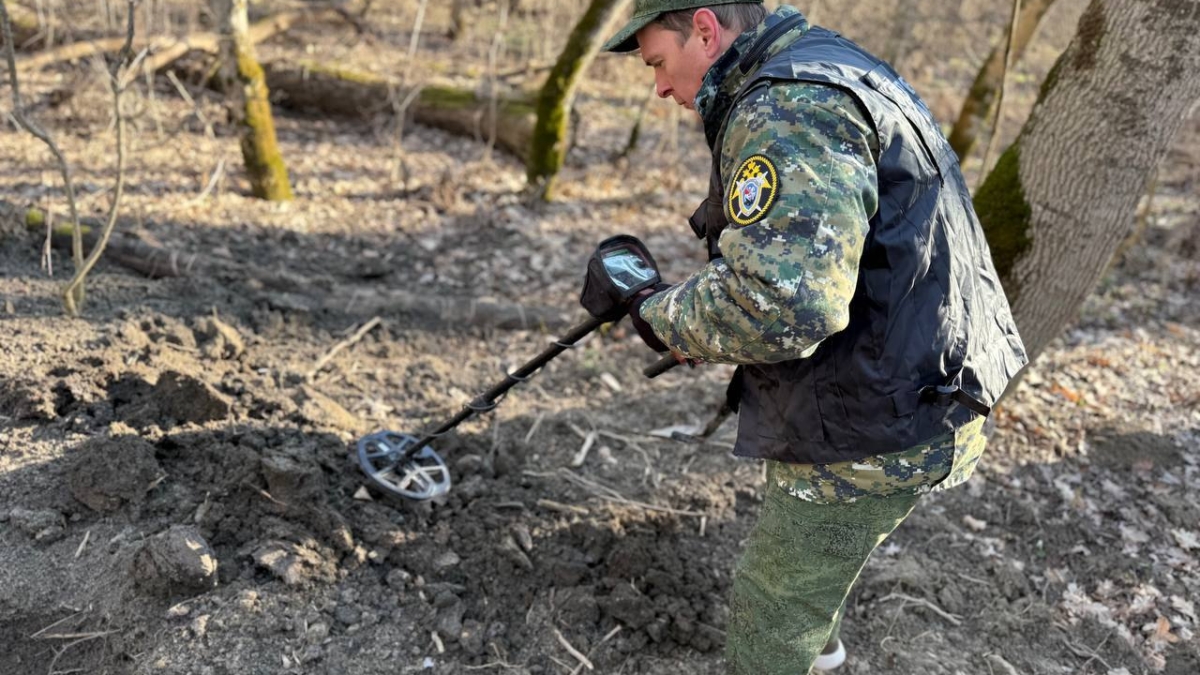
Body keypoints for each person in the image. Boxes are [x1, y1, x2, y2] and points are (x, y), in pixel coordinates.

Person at [599, 2, 1029, 673]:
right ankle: (820, 648)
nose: (659, 87)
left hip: (882, 414)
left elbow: (778, 306)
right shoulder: (828, 62)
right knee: (809, 564)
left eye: (659, 62)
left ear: (706, 30)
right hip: (917, 378)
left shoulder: (788, 106)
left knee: (772, 611)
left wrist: (659, 315)